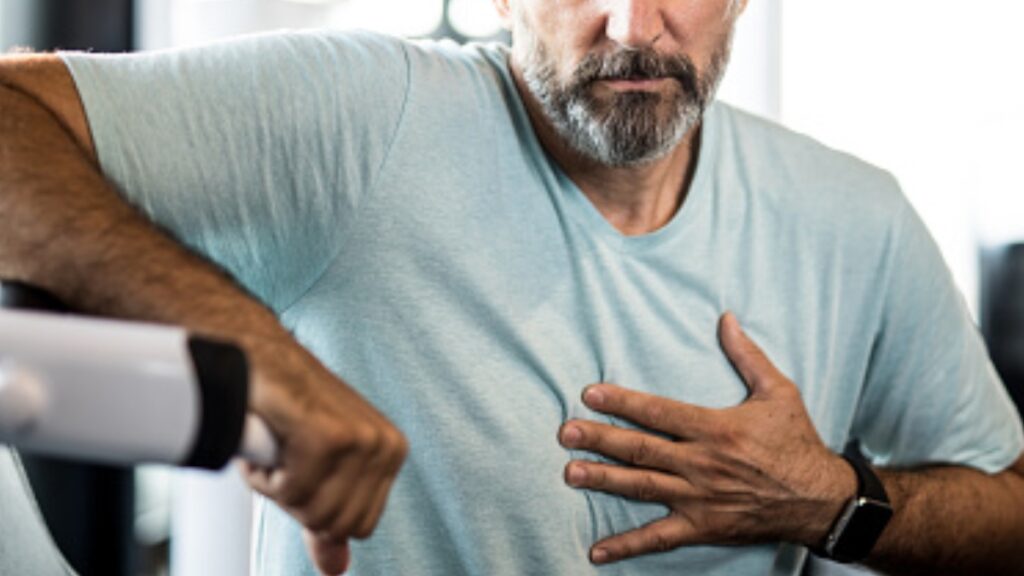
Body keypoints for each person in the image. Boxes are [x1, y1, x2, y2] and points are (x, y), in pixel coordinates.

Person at [1, 0, 1023, 574]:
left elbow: (1009, 514)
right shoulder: (365, 115)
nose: (634, 24)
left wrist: (834, 503)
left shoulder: (857, 218)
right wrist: (246, 346)